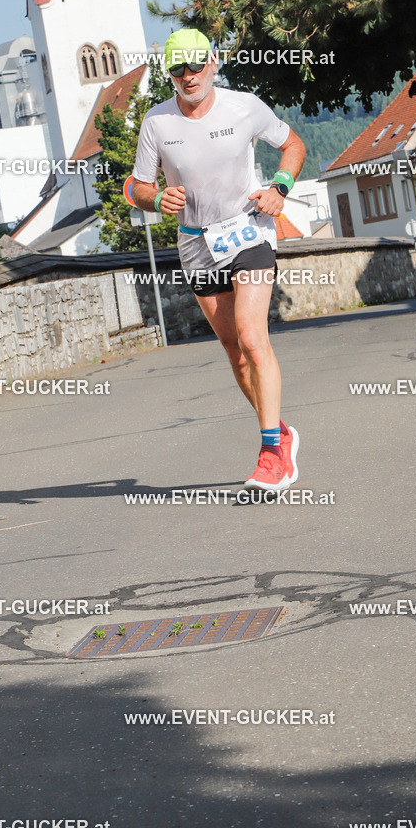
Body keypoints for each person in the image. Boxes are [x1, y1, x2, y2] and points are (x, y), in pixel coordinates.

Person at [132, 29, 306, 493]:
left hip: (248, 230)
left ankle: (271, 455)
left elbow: (293, 146)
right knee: (234, 351)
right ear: (169, 73)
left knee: (251, 335)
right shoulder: (157, 122)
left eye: (196, 65)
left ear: (213, 62)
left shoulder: (244, 106)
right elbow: (137, 186)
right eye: (178, 69)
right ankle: (281, 434)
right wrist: (155, 199)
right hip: (196, 243)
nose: (188, 76)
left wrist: (280, 187)